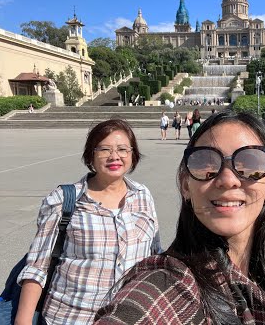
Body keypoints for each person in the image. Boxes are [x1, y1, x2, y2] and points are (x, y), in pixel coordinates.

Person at [95, 111, 265, 324]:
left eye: (250, 164)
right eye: (205, 162)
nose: (228, 180)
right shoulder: (167, 283)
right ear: (185, 185)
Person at [15, 119, 161, 325]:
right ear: (91, 155)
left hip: (129, 317)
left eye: (122, 149)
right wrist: (23, 321)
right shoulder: (64, 199)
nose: (114, 156)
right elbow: (37, 267)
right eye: (104, 149)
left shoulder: (143, 196)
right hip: (71, 317)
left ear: (133, 154)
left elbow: (153, 256)